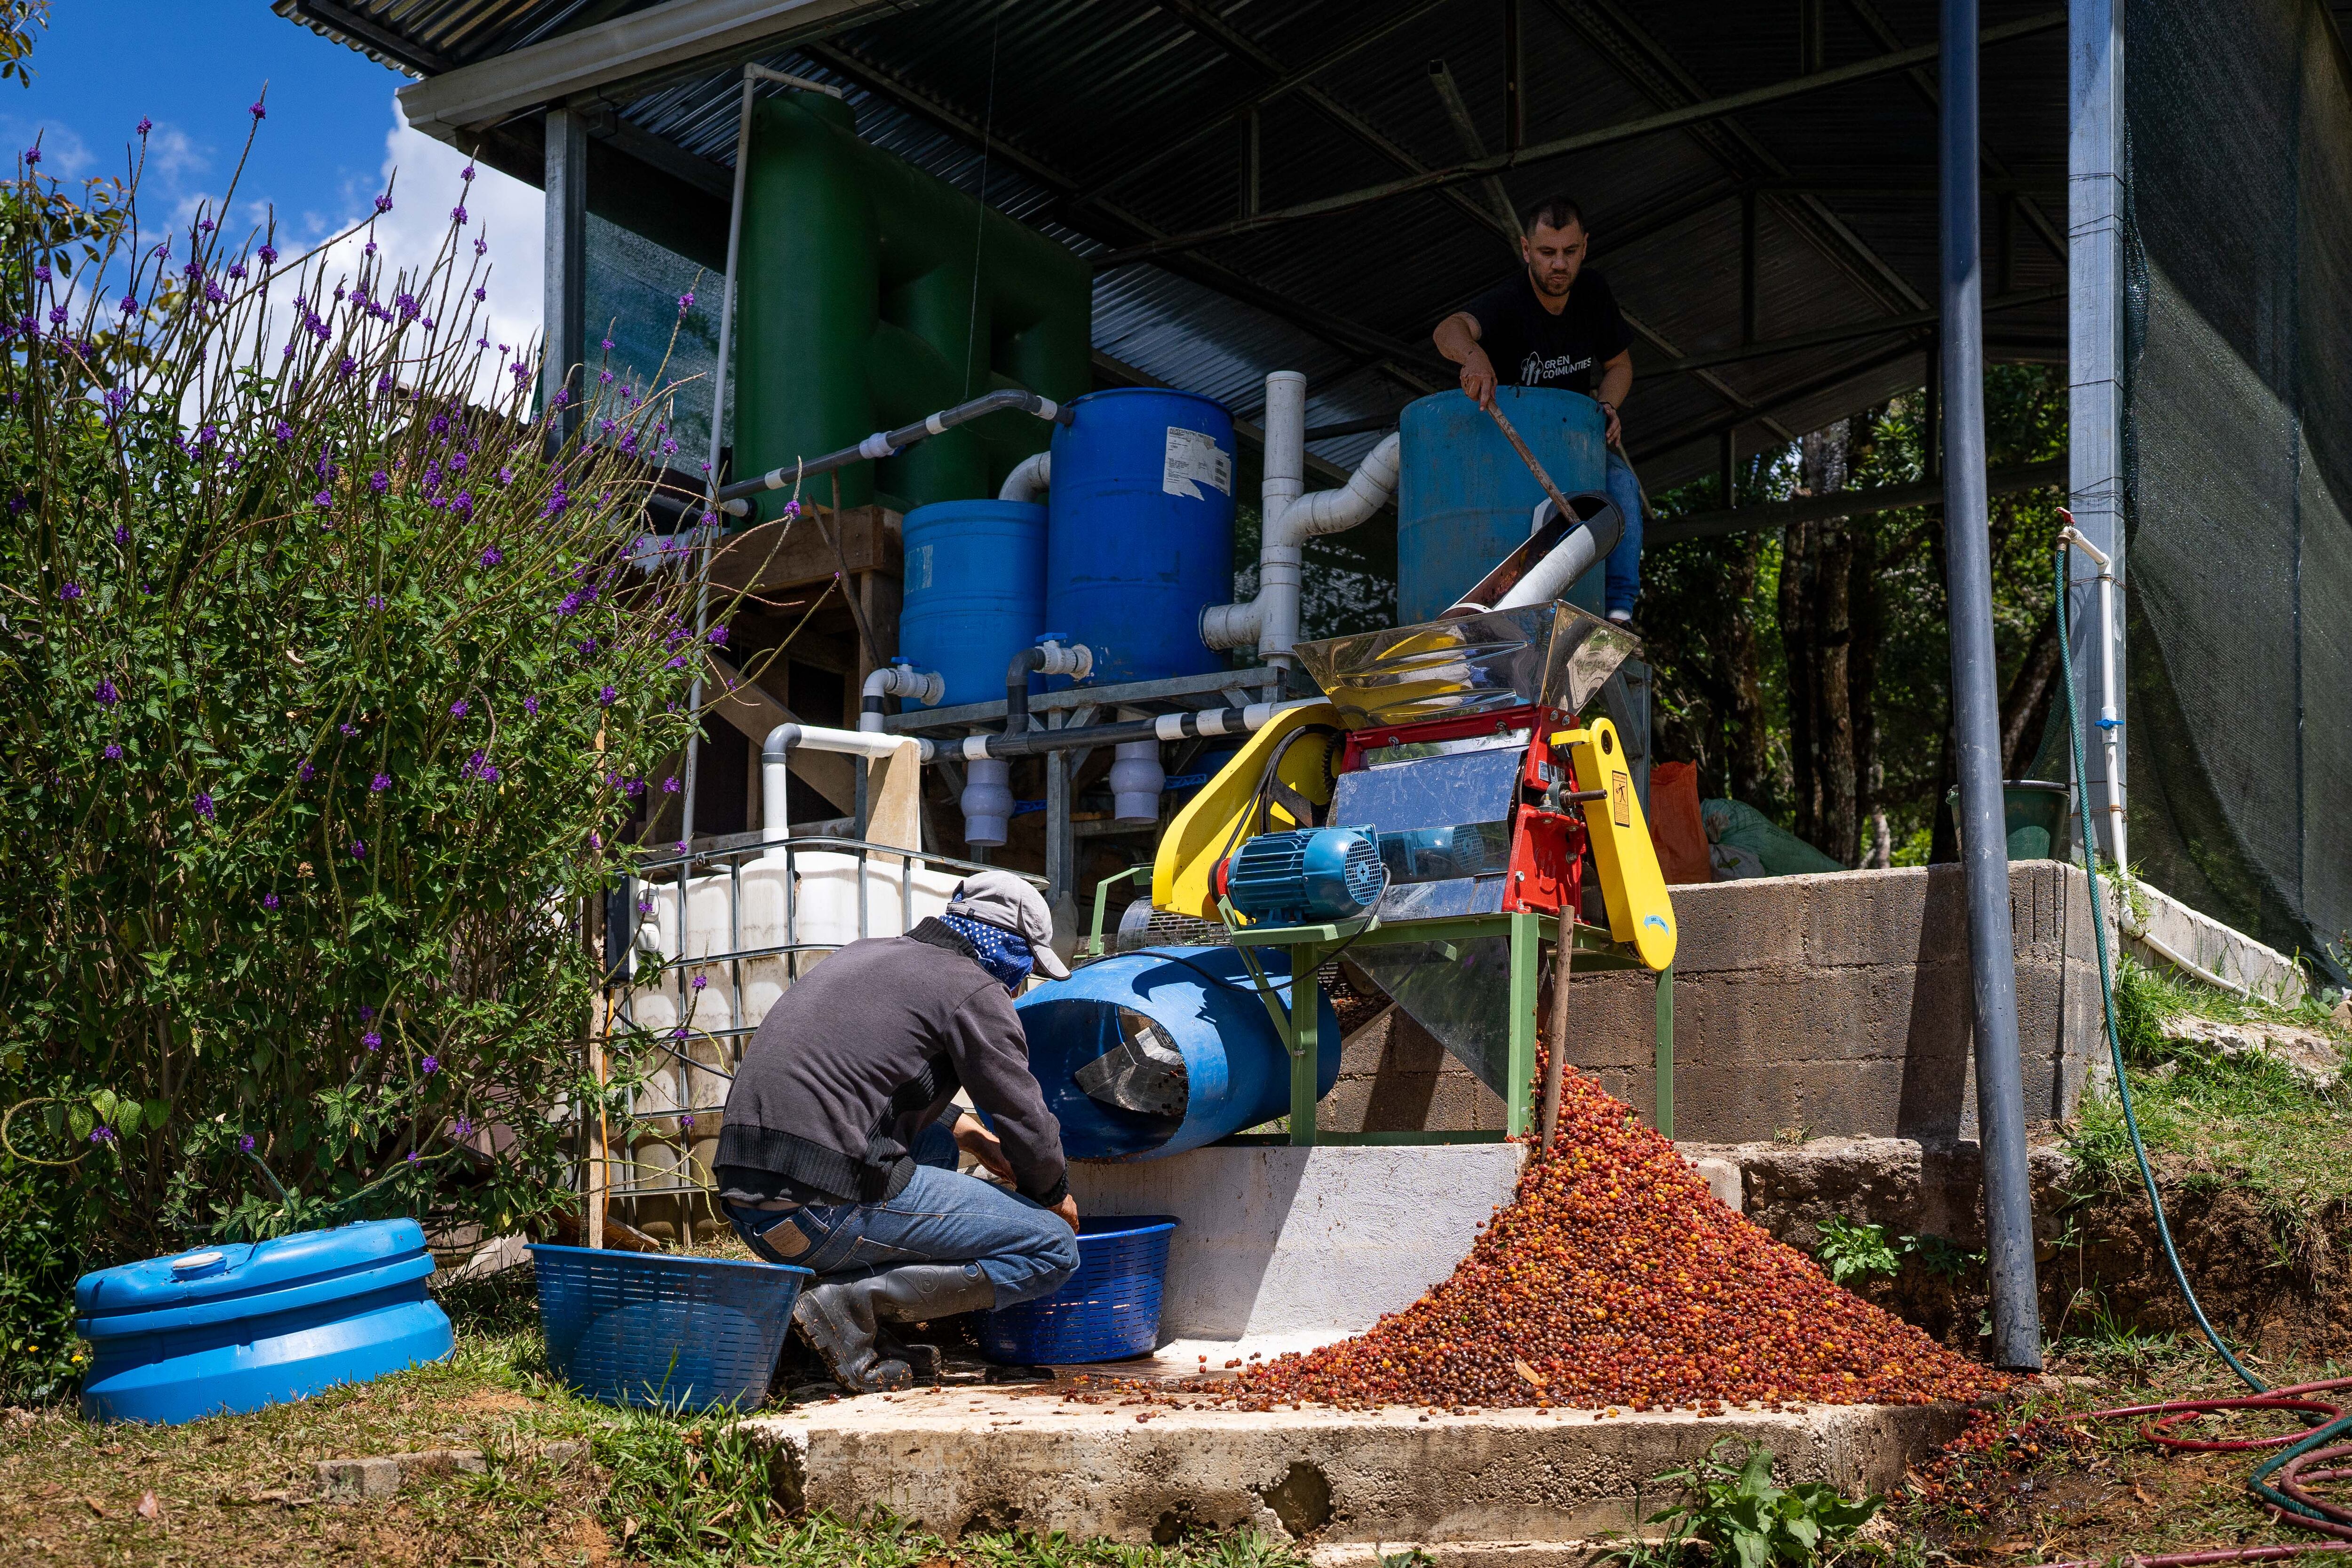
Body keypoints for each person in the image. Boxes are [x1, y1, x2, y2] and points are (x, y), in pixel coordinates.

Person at [714, 869, 1081, 1393]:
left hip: (755, 1210)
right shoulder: (973, 986)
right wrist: (1052, 1191)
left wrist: (970, 1135)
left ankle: (847, 1314)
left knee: (936, 1143)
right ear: (1010, 948)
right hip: (821, 1210)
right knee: (1051, 1248)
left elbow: (861, 1084)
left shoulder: (867, 954)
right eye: (1026, 965)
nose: (1020, 982)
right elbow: (1022, 1117)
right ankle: (852, 1305)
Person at [1432, 193, 1645, 625]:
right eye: (1547, 253)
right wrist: (1473, 356)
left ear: (1585, 247)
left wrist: (1606, 405)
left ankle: (1620, 610)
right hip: (1511, 451)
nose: (1559, 265)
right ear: (1527, 251)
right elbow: (1447, 329)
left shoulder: (1594, 292)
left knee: (1621, 483)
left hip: (1574, 446)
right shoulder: (1510, 300)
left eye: (1569, 252)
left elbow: (1620, 366)